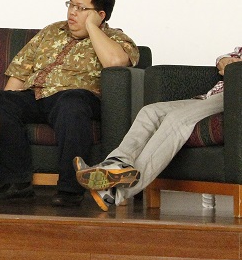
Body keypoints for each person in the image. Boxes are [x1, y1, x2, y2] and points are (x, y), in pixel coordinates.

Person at [0, 0, 139, 207]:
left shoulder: (115, 38)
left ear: (100, 14)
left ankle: (70, 189)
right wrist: (7, 100)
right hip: (37, 95)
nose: (72, 12)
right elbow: (19, 73)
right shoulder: (51, 31)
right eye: (71, 5)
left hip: (75, 98)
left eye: (81, 8)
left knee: (72, 103)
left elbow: (116, 63)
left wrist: (92, 27)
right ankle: (16, 184)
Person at [74, 47, 239, 211]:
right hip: (209, 97)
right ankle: (116, 164)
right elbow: (225, 59)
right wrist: (225, 61)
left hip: (234, 97)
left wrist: (236, 70)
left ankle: (115, 191)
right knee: (150, 112)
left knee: (177, 120)